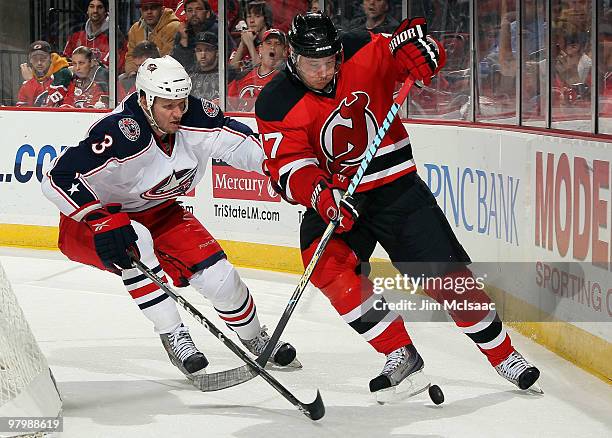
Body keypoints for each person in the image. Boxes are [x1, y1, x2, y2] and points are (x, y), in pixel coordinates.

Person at [255, 12, 541, 395]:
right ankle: (399, 351)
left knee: (447, 278)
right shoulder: (275, 101)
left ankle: (503, 354)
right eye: (313, 64)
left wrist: (428, 52)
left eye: (330, 61)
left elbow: (411, 45)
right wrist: (323, 197)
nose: (324, 71)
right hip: (340, 197)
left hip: (396, 187)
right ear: (293, 56)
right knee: (324, 264)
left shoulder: (360, 47)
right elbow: (290, 165)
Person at [41, 55, 297, 379]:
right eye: (168, 106)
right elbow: (57, 177)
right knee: (140, 243)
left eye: (181, 103)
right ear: (146, 101)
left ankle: (255, 337)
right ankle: (173, 333)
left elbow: (241, 146)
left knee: (221, 277)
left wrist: (283, 169)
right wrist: (100, 218)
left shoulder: (195, 117)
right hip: (94, 222)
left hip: (160, 213)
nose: (178, 112)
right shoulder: (120, 133)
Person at [228, 29, 286, 111]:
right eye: (268, 43)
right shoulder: (243, 76)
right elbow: (228, 104)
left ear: (284, 51)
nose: (272, 47)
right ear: (260, 49)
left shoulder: (286, 80)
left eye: (277, 44)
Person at [63, 0, 126, 71]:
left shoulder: (115, 35)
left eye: (100, 7)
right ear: (87, 10)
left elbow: (118, 68)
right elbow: (65, 61)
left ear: (106, 11)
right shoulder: (76, 35)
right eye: (92, 6)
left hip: (103, 80)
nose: (95, 10)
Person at [124, 0, 180, 74]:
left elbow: (167, 59)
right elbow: (130, 56)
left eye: (153, 8)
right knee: (122, 80)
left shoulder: (173, 27)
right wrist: (132, 71)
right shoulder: (135, 29)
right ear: (141, 10)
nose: (149, 12)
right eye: (145, 8)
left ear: (162, 9)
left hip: (164, 75)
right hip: (138, 74)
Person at [16, 40, 72, 107]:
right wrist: (30, 82)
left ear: (50, 58)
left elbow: (46, 104)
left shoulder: (62, 74)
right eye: (35, 59)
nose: (39, 62)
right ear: (30, 60)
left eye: (43, 58)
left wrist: (30, 81)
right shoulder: (28, 83)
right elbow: (21, 109)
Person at [228, 1, 272, 72]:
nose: (251, 20)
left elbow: (264, 73)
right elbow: (230, 72)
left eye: (257, 16)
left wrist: (249, 44)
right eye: (249, 16)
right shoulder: (242, 40)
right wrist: (242, 44)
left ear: (266, 19)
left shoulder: (273, 41)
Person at [189, 31, 220, 101]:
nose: (203, 56)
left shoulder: (225, 75)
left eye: (208, 50)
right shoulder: (190, 75)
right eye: (199, 50)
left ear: (217, 52)